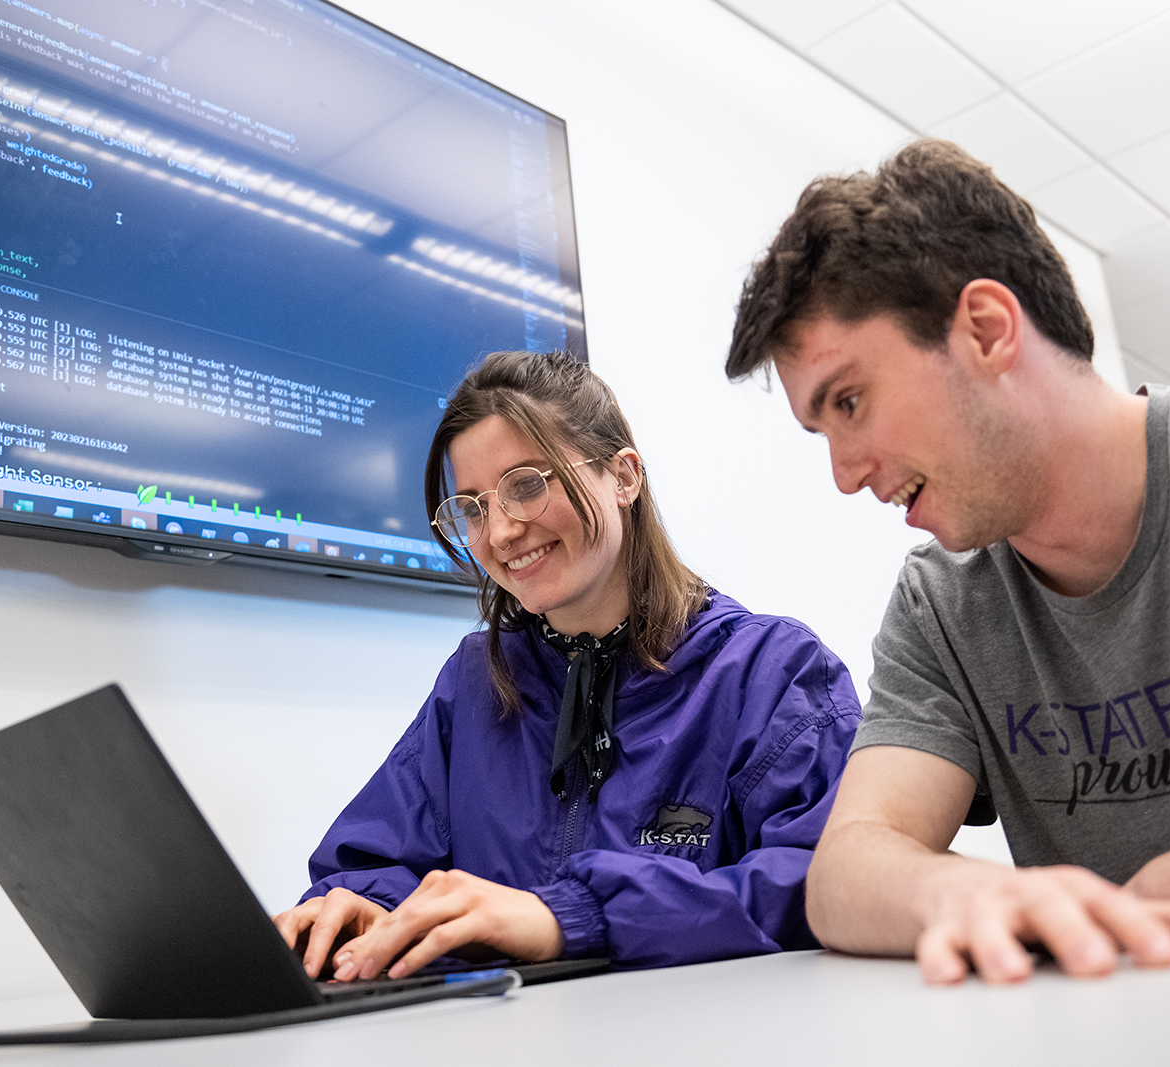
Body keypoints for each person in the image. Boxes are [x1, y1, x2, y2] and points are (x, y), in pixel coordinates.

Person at [725, 138, 1170, 985]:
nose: (847, 473)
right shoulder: (943, 607)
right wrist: (953, 893)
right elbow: (845, 873)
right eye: (824, 431)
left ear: (988, 330)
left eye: (850, 402)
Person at [272, 350, 861, 981]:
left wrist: (572, 917)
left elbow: (830, 882)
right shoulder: (473, 683)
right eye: (472, 507)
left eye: (526, 484)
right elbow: (371, 862)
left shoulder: (774, 675)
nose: (499, 532)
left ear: (624, 477)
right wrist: (362, 910)